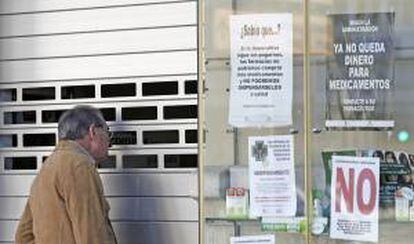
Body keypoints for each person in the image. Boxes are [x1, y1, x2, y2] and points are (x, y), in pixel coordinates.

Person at [15, 105, 117, 244]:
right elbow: (92, 236)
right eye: (107, 132)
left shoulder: (49, 166)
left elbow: (23, 236)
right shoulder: (79, 166)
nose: (109, 141)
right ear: (93, 131)